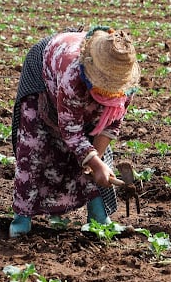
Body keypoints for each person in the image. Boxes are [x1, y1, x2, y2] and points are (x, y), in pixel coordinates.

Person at [9, 26, 141, 238]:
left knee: (96, 156)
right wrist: (94, 163)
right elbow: (71, 131)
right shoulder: (73, 76)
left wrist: (96, 162)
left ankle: (99, 219)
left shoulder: (125, 81)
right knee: (35, 148)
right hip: (43, 75)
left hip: (75, 87)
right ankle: (21, 220)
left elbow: (111, 125)